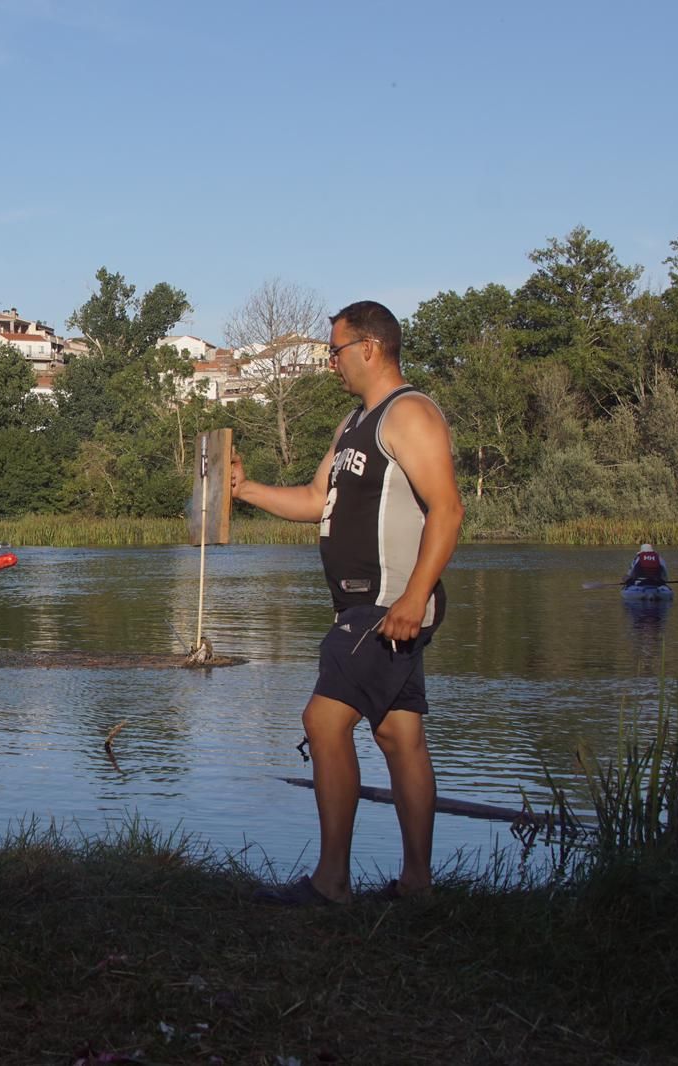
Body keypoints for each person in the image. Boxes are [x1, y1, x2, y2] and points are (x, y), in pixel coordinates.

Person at [230, 300, 463, 905]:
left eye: (334, 351)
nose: (330, 363)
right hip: (364, 607)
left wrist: (413, 597)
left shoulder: (409, 414)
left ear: (369, 348)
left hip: (386, 604)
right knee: (399, 736)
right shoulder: (352, 424)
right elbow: (314, 499)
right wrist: (245, 489)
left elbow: (448, 509)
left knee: (323, 720)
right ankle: (417, 885)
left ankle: (331, 883)